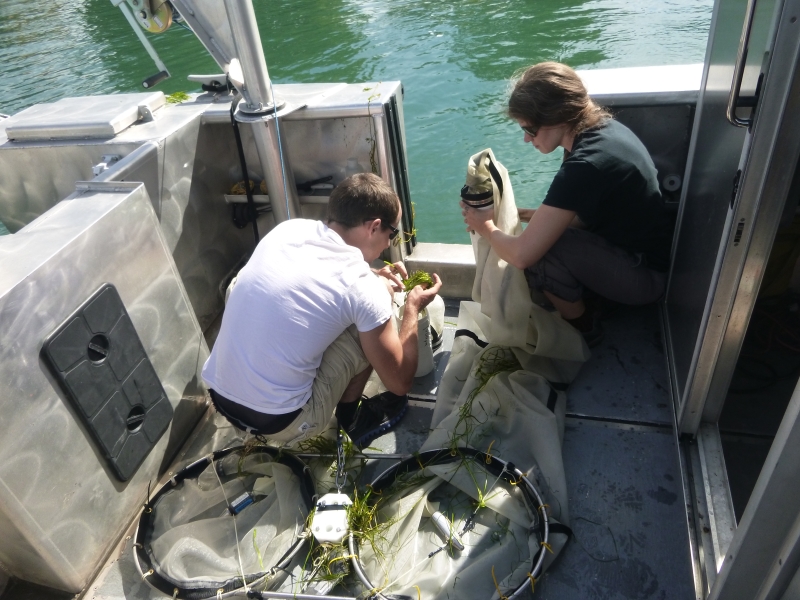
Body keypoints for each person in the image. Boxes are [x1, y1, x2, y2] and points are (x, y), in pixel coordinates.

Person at [203, 173, 442, 446]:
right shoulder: (362, 288)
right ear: (374, 227)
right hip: (281, 423)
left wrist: (373, 275)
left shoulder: (289, 230)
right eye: (392, 233)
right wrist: (411, 307)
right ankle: (351, 420)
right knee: (371, 319)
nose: (389, 243)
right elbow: (399, 383)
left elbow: (313, 280)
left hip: (220, 396)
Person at [461, 62, 674, 346]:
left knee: (543, 254)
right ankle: (595, 302)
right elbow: (574, 216)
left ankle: (585, 331)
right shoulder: (602, 131)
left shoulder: (585, 165)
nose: (526, 139)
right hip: (644, 257)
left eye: (530, 129)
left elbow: (523, 255)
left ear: (559, 118)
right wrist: (517, 214)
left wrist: (484, 225)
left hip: (646, 278)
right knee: (544, 238)